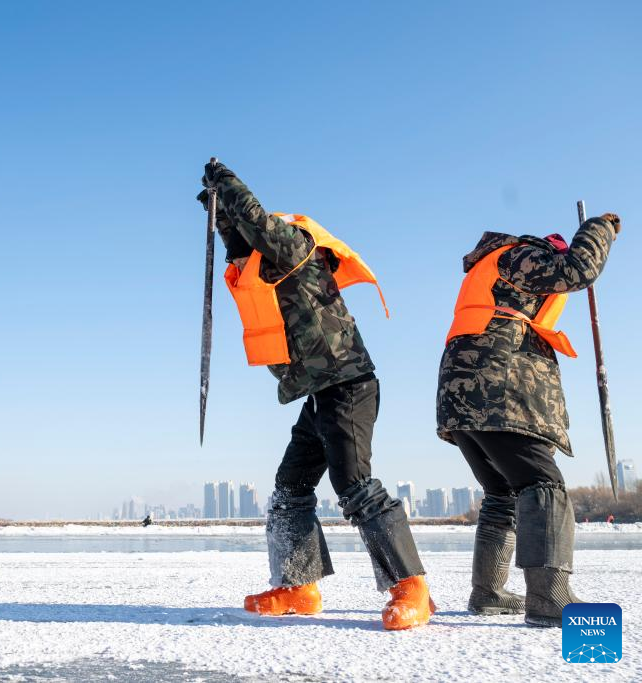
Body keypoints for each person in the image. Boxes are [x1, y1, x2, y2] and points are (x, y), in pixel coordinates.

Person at [199, 161, 432, 630]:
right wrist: (218, 211)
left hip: (348, 383)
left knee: (353, 483)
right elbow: (240, 242)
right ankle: (298, 586)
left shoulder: (295, 249)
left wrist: (226, 183)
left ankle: (411, 588)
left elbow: (257, 225)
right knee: (291, 485)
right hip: (318, 393)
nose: (243, 263)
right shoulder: (263, 266)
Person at [437, 212, 619, 627]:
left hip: (465, 398)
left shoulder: (495, 273)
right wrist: (600, 228)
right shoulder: (518, 255)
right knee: (543, 484)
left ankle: (488, 592)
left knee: (502, 493)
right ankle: (549, 599)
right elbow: (579, 269)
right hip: (496, 392)